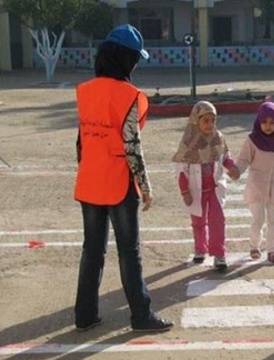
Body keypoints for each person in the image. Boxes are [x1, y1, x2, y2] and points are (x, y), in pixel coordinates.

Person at [74, 24, 173, 332]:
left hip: (89, 182)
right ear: (124, 59)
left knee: (92, 250)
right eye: (134, 58)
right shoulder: (130, 95)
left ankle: (85, 315)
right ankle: (141, 316)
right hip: (119, 184)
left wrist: (88, 167)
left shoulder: (85, 91)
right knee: (129, 251)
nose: (135, 64)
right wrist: (145, 187)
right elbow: (132, 145)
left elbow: (80, 142)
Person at [172, 101, 240, 272]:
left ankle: (219, 254)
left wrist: (231, 167)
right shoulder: (188, 143)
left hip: (214, 188)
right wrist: (185, 191)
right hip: (196, 190)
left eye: (212, 120)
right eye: (206, 121)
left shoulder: (218, 138)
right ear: (196, 121)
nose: (210, 125)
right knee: (198, 221)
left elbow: (225, 157)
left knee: (217, 220)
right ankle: (200, 249)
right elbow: (181, 170)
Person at [234, 102, 274, 264]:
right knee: (258, 218)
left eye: (272, 122)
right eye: (264, 122)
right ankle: (254, 246)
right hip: (257, 187)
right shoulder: (252, 140)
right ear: (259, 121)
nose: (268, 126)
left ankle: (273, 250)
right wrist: (236, 170)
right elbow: (243, 160)